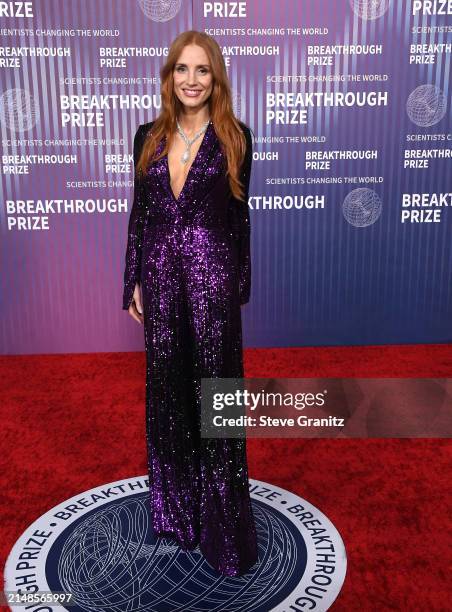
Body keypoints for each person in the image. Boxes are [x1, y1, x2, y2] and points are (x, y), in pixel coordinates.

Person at [122, 30, 258, 577]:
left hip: (211, 280)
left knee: (215, 395)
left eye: (203, 70)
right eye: (183, 69)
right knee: (168, 392)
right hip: (158, 277)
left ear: (216, 78)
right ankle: (177, 513)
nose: (192, 80)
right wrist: (132, 276)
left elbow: (240, 219)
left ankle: (224, 523)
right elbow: (139, 214)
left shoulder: (237, 139)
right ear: (168, 77)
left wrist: (237, 283)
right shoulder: (146, 137)